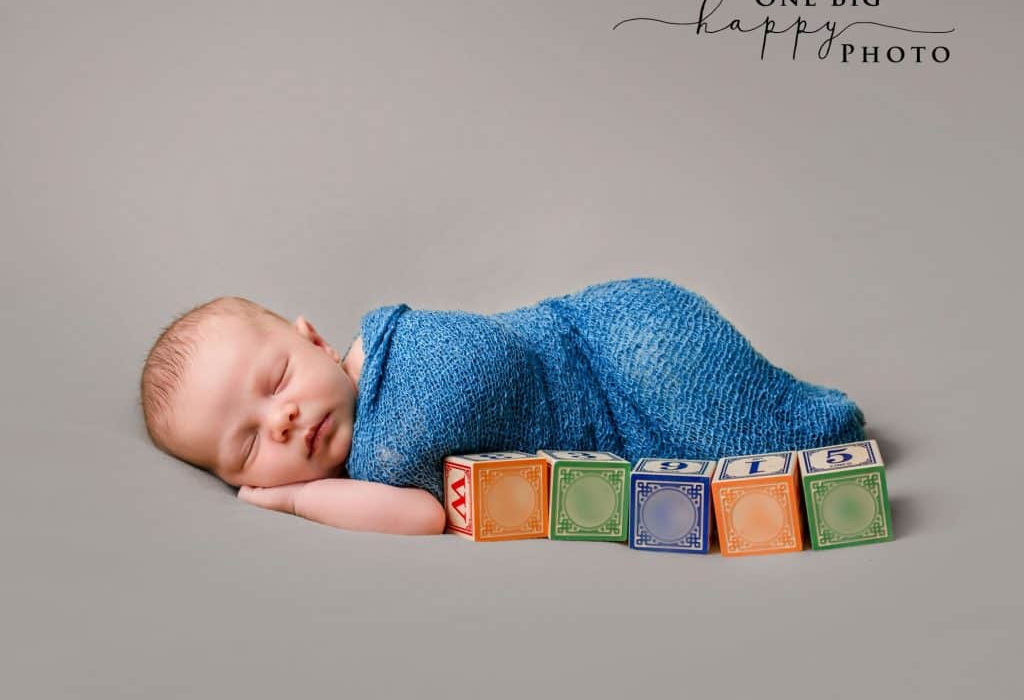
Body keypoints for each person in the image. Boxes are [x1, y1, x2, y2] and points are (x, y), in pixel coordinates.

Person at [139, 277, 865, 536]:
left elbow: (495, 359)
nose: (285, 419)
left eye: (277, 380)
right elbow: (425, 517)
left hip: (603, 341)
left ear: (315, 340)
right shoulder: (356, 482)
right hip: (617, 449)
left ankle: (810, 420)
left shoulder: (385, 340)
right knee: (720, 473)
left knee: (724, 412)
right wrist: (298, 503)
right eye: (249, 444)